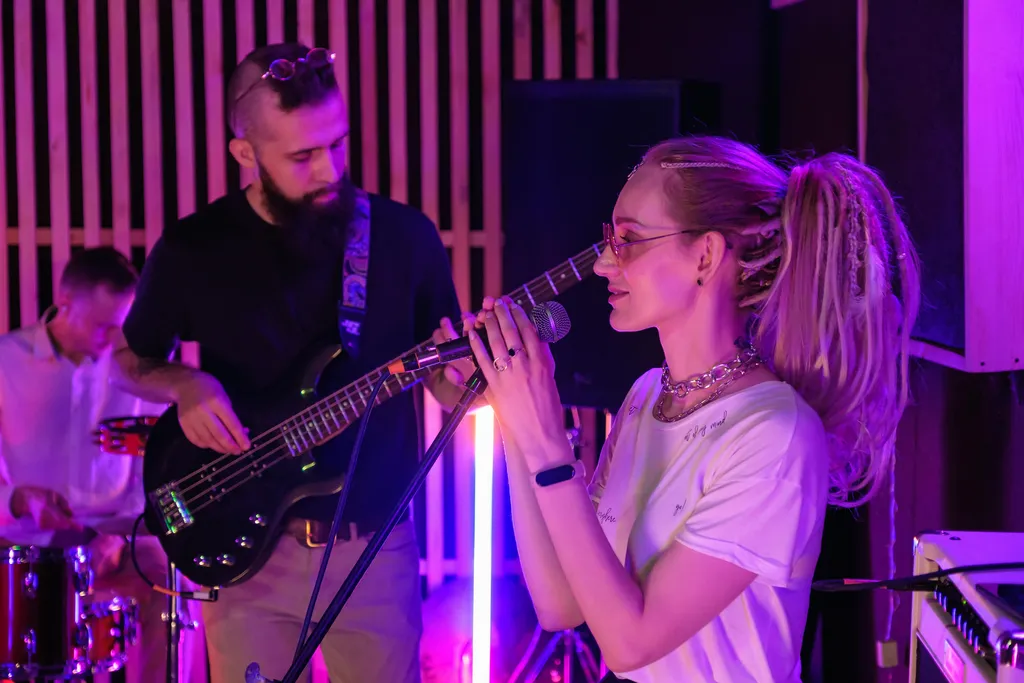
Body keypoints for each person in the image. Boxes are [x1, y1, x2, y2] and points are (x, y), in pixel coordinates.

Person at [455, 136, 921, 682]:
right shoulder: (647, 397)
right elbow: (561, 602)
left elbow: (630, 642)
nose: (605, 263)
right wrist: (516, 418)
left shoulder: (775, 433)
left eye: (628, 239)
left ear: (705, 255)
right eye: (609, 239)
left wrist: (548, 444)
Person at [113, 42, 465, 683]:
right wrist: (183, 383)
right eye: (302, 156)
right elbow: (127, 359)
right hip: (248, 553)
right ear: (245, 154)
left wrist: (463, 380)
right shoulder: (195, 247)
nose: (329, 169)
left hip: (373, 549)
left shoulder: (404, 237)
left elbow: (444, 373)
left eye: (337, 143)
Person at [0, 247, 206, 683]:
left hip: (115, 536)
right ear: (65, 303)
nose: (114, 337)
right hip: (22, 538)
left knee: (172, 588)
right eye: (103, 326)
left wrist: (119, 535)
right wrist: (16, 498)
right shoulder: (6, 363)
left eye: (121, 325)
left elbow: (150, 471)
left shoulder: (137, 372)